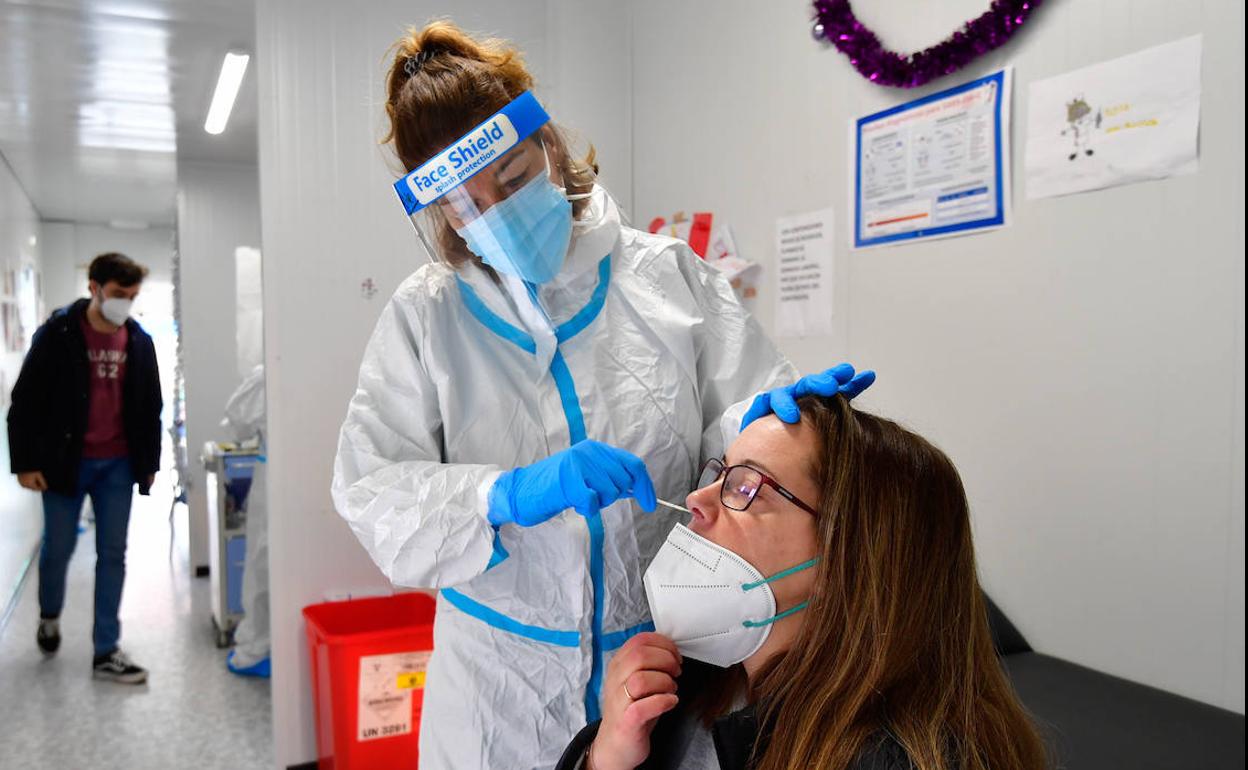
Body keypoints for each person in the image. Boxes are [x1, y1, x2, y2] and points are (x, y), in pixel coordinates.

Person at [331, 20, 874, 769]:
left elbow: (742, 418)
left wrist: (770, 420)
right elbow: (372, 492)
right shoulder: (427, 317)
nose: (499, 211)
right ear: (441, 214)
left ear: (549, 145)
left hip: (672, 666)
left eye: (514, 179)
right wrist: (505, 495)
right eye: (467, 205)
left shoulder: (667, 277)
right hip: (499, 687)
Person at [556, 395, 1048, 770]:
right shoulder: (698, 681)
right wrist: (607, 756)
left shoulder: (901, 757)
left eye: (746, 487)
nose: (696, 501)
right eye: (721, 473)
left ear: (848, 553)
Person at [7, 252, 162, 684]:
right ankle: (50, 614)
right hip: (65, 464)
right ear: (93, 287)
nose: (124, 304)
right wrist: (25, 463)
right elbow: (24, 403)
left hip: (118, 465)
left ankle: (105, 651)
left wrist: (148, 464)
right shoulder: (57, 334)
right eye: (117, 294)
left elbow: (151, 408)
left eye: (132, 296)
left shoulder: (138, 340)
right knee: (58, 549)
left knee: (113, 554)